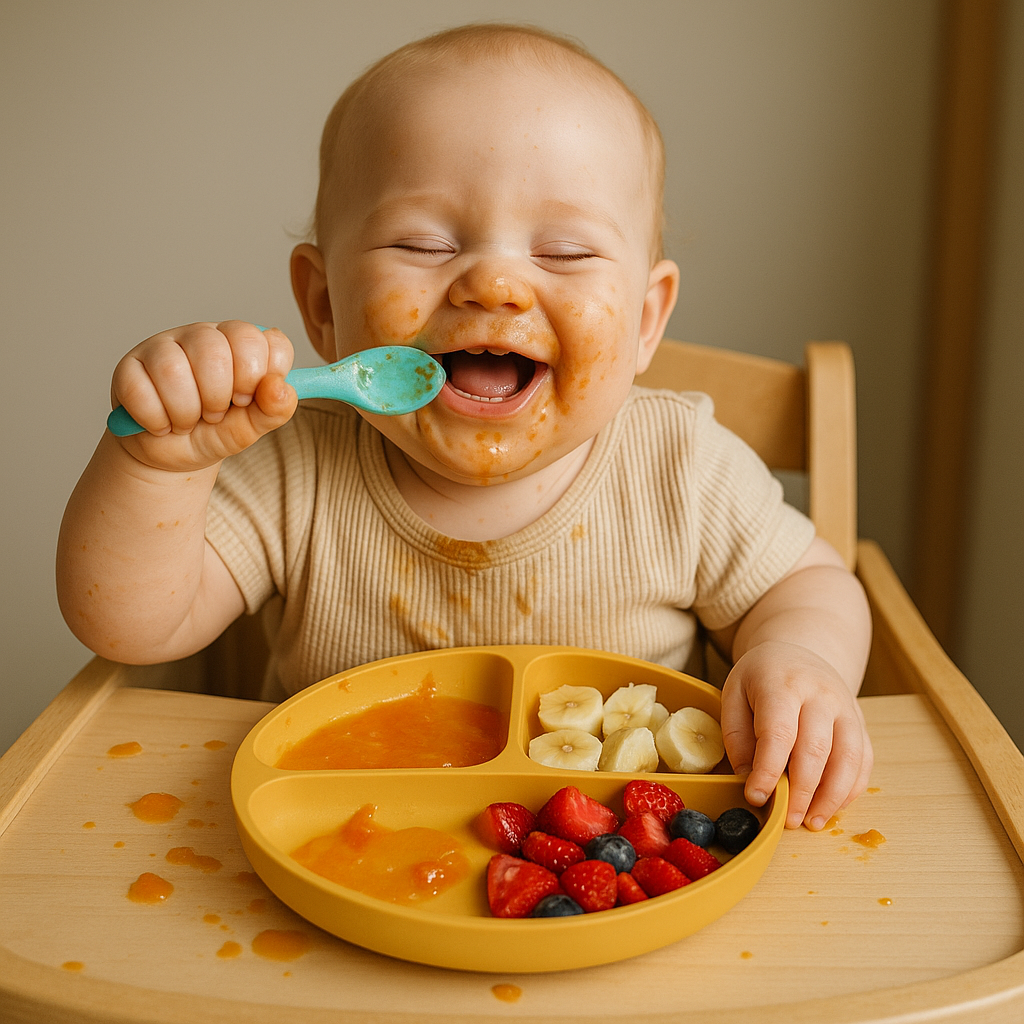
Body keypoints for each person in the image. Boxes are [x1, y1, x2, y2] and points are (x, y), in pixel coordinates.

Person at [56, 23, 872, 831]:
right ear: (325, 307)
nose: (495, 282)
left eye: (563, 253)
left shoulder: (680, 466)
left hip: (610, 858)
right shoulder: (295, 464)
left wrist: (801, 657)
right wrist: (160, 467)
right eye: (423, 242)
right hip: (340, 846)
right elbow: (132, 627)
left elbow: (809, 587)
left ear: (647, 320)